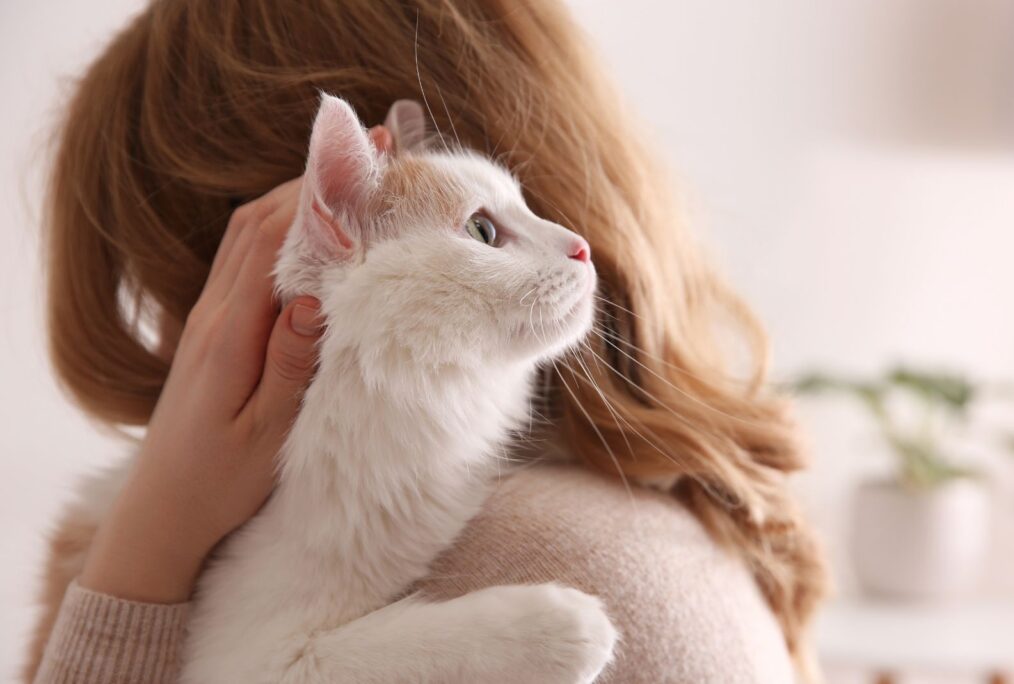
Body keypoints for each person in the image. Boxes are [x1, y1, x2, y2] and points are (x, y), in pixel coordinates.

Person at [26, 1, 826, 682]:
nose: (183, 346)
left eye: (174, 284)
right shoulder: (610, 536)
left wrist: (133, 570)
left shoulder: (530, 557)